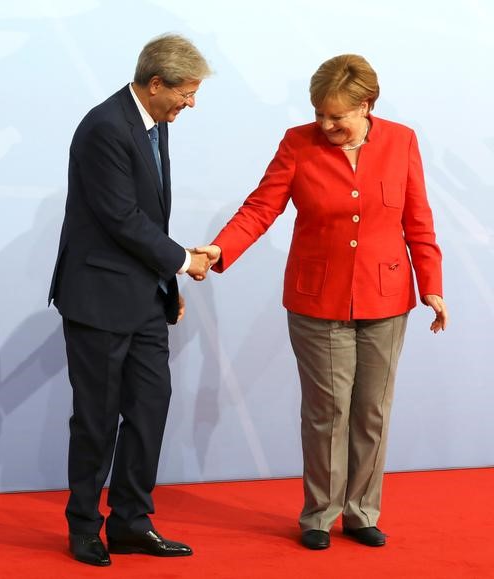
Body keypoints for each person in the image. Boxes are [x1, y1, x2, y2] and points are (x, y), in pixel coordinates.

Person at [195, 54, 448, 550]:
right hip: (317, 301)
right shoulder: (297, 143)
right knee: (327, 410)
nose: (326, 125)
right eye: (320, 115)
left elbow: (417, 219)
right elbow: (260, 207)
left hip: (387, 297)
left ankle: (360, 512)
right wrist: (219, 248)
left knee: (372, 410)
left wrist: (431, 286)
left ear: (367, 106)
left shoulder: (402, 141)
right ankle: (318, 513)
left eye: (337, 116)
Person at [48, 34, 212, 566]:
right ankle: (83, 529)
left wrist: (167, 285)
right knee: (95, 419)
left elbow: (146, 218)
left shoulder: (154, 124)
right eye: (185, 92)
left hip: (142, 300)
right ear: (156, 82)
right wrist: (184, 262)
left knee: (149, 410)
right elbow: (121, 220)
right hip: (97, 300)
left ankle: (131, 523)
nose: (191, 104)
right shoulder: (104, 128)